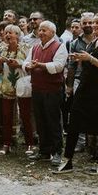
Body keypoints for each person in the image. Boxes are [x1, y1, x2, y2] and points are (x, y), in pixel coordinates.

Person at [56, 13, 98, 175]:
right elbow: (89, 61)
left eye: (97, 22)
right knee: (74, 122)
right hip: (85, 87)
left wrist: (90, 58)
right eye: (92, 23)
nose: (93, 25)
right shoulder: (93, 42)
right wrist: (81, 58)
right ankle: (68, 159)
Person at [23, 20, 68, 166]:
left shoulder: (59, 46)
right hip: (37, 89)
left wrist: (39, 65)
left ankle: (57, 152)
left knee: (53, 121)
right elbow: (26, 62)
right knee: (40, 120)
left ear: (53, 33)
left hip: (52, 90)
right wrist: (27, 66)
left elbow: (59, 66)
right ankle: (44, 151)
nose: (41, 33)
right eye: (40, 30)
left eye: (44, 30)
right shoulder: (35, 47)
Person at [0, 24, 33, 155]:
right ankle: (6, 144)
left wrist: (19, 64)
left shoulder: (26, 48)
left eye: (11, 32)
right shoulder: (1, 49)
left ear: (18, 34)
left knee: (25, 115)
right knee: (6, 116)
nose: (8, 35)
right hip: (6, 86)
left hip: (22, 85)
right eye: (6, 33)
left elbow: (31, 66)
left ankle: (30, 144)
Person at [65, 13, 95, 152]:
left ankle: (94, 142)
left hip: (96, 80)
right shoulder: (75, 43)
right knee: (78, 111)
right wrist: (69, 86)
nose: (88, 25)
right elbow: (71, 66)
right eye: (85, 23)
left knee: (95, 111)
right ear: (81, 25)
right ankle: (81, 141)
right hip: (79, 79)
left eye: (90, 23)